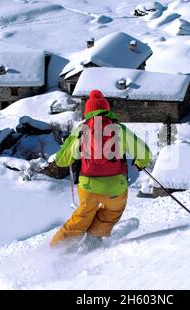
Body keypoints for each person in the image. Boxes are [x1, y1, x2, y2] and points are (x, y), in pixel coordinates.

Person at [50, 89, 152, 249]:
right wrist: (140, 163)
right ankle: (93, 240)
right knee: (111, 212)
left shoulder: (80, 131)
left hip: (88, 187)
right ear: (107, 110)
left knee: (82, 216)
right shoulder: (119, 129)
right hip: (115, 188)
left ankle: (56, 248)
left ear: (88, 112)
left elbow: (61, 161)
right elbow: (144, 153)